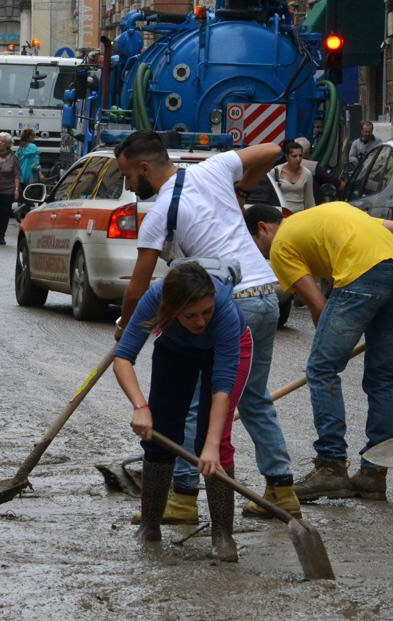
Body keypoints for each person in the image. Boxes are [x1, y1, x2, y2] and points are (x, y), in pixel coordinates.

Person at [114, 130, 297, 522]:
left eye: (129, 176)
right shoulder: (212, 169)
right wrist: (241, 188)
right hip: (265, 293)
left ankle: (182, 496)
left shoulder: (161, 213)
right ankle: (281, 488)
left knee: (200, 400)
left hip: (226, 303)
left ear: (145, 168)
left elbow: (139, 285)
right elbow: (272, 150)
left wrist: (126, 327)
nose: (130, 185)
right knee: (253, 397)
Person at [247, 203, 393, 502]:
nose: (260, 254)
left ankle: (331, 467)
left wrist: (331, 336)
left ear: (264, 227)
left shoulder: (281, 246)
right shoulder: (337, 213)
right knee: (381, 376)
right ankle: (373, 474)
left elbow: (319, 307)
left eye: (253, 243)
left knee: (321, 369)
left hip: (361, 276)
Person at [114, 261, 250, 562]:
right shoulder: (155, 299)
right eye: (190, 315)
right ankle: (150, 526)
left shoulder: (224, 312)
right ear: (172, 309)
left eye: (206, 312)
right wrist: (140, 407)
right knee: (160, 433)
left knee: (212, 443)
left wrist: (211, 447)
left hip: (223, 353)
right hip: (175, 350)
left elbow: (222, 387)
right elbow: (123, 357)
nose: (201, 322)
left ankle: (223, 536)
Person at [270, 139, 315, 213]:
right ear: (287, 157)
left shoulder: (307, 174)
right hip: (280, 214)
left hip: (299, 215)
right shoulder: (276, 171)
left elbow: (309, 200)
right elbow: (270, 196)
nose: (298, 159)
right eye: (294, 156)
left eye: (300, 155)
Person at [16, 128, 41, 195]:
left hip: (21, 174)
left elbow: (16, 160)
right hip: (31, 174)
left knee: (22, 193)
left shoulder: (20, 147)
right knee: (29, 194)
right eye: (33, 137)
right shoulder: (33, 147)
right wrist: (40, 173)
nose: (34, 138)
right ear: (30, 137)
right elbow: (35, 163)